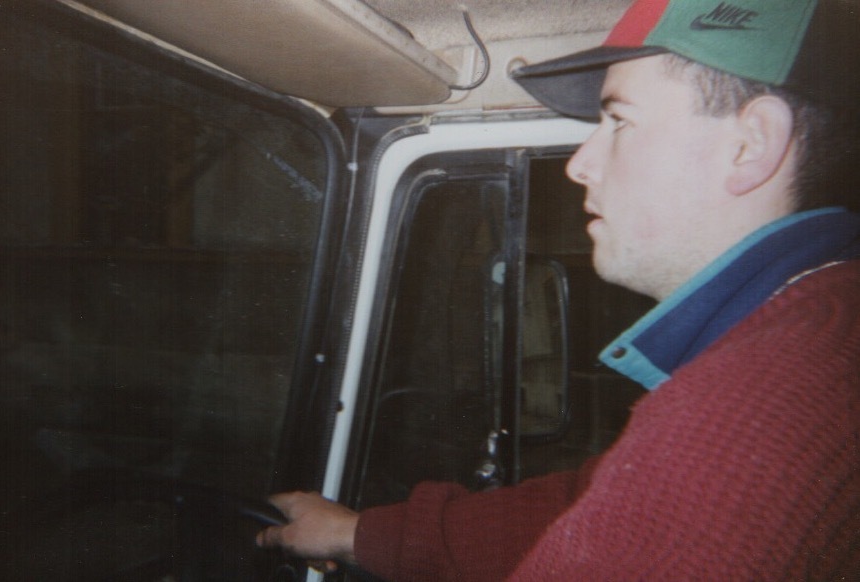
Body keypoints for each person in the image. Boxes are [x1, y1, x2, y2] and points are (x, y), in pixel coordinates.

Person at [257, 0, 860, 579]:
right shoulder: (816, 336)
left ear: (751, 144)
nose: (579, 164)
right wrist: (358, 535)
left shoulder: (745, 410)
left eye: (619, 120)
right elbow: (587, 511)